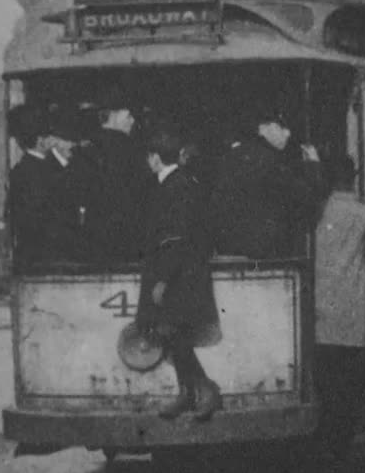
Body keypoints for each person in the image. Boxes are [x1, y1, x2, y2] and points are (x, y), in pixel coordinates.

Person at [311, 157, 365, 472]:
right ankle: (344, 459)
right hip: (350, 322)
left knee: (326, 390)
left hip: (316, 321)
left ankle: (325, 455)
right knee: (350, 394)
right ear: (354, 178)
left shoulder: (315, 214)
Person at [137, 127, 221, 421]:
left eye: (149, 156)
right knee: (171, 335)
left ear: (156, 158)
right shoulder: (176, 183)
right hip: (178, 272)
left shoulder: (176, 185)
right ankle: (189, 392)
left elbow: (177, 236)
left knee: (173, 333)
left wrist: (162, 279)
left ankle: (203, 390)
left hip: (178, 275)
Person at [208, 112, 322, 259]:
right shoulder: (271, 162)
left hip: (228, 254)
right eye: (282, 127)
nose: (288, 134)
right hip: (266, 257)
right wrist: (313, 166)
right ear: (264, 128)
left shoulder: (229, 158)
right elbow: (306, 198)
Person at [5, 104, 85, 267]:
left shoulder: (21, 171)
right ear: (42, 141)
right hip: (55, 258)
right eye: (51, 135)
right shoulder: (47, 173)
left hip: (32, 258)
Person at [73, 105, 151, 262]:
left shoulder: (84, 150)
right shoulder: (135, 151)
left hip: (91, 244)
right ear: (113, 115)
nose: (133, 121)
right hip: (130, 243)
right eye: (128, 116)